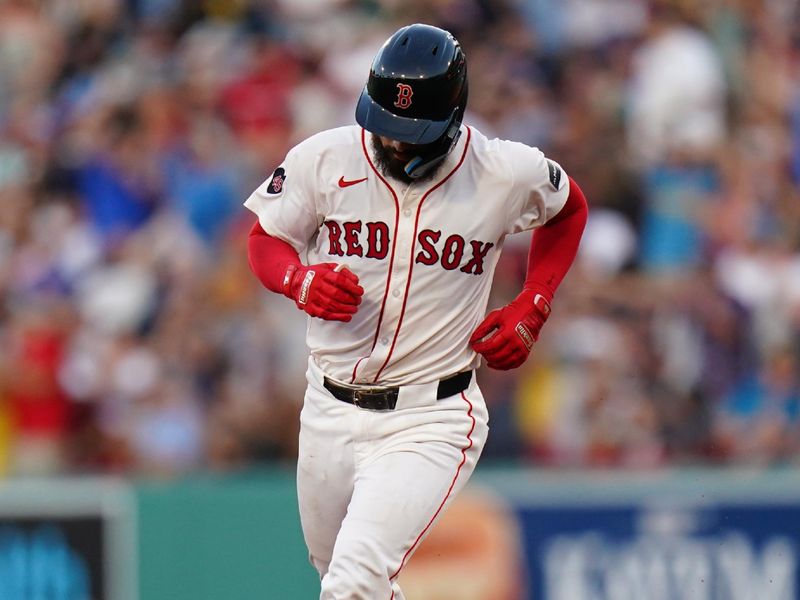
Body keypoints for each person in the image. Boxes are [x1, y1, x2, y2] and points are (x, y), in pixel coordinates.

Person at [245, 23, 588, 600]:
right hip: (328, 404)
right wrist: (295, 278)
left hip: (431, 415)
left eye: (412, 131)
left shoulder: (501, 170)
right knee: (339, 575)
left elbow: (568, 208)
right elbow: (266, 237)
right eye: (385, 124)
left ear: (453, 120)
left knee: (353, 581)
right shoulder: (326, 156)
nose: (395, 141)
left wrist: (535, 300)